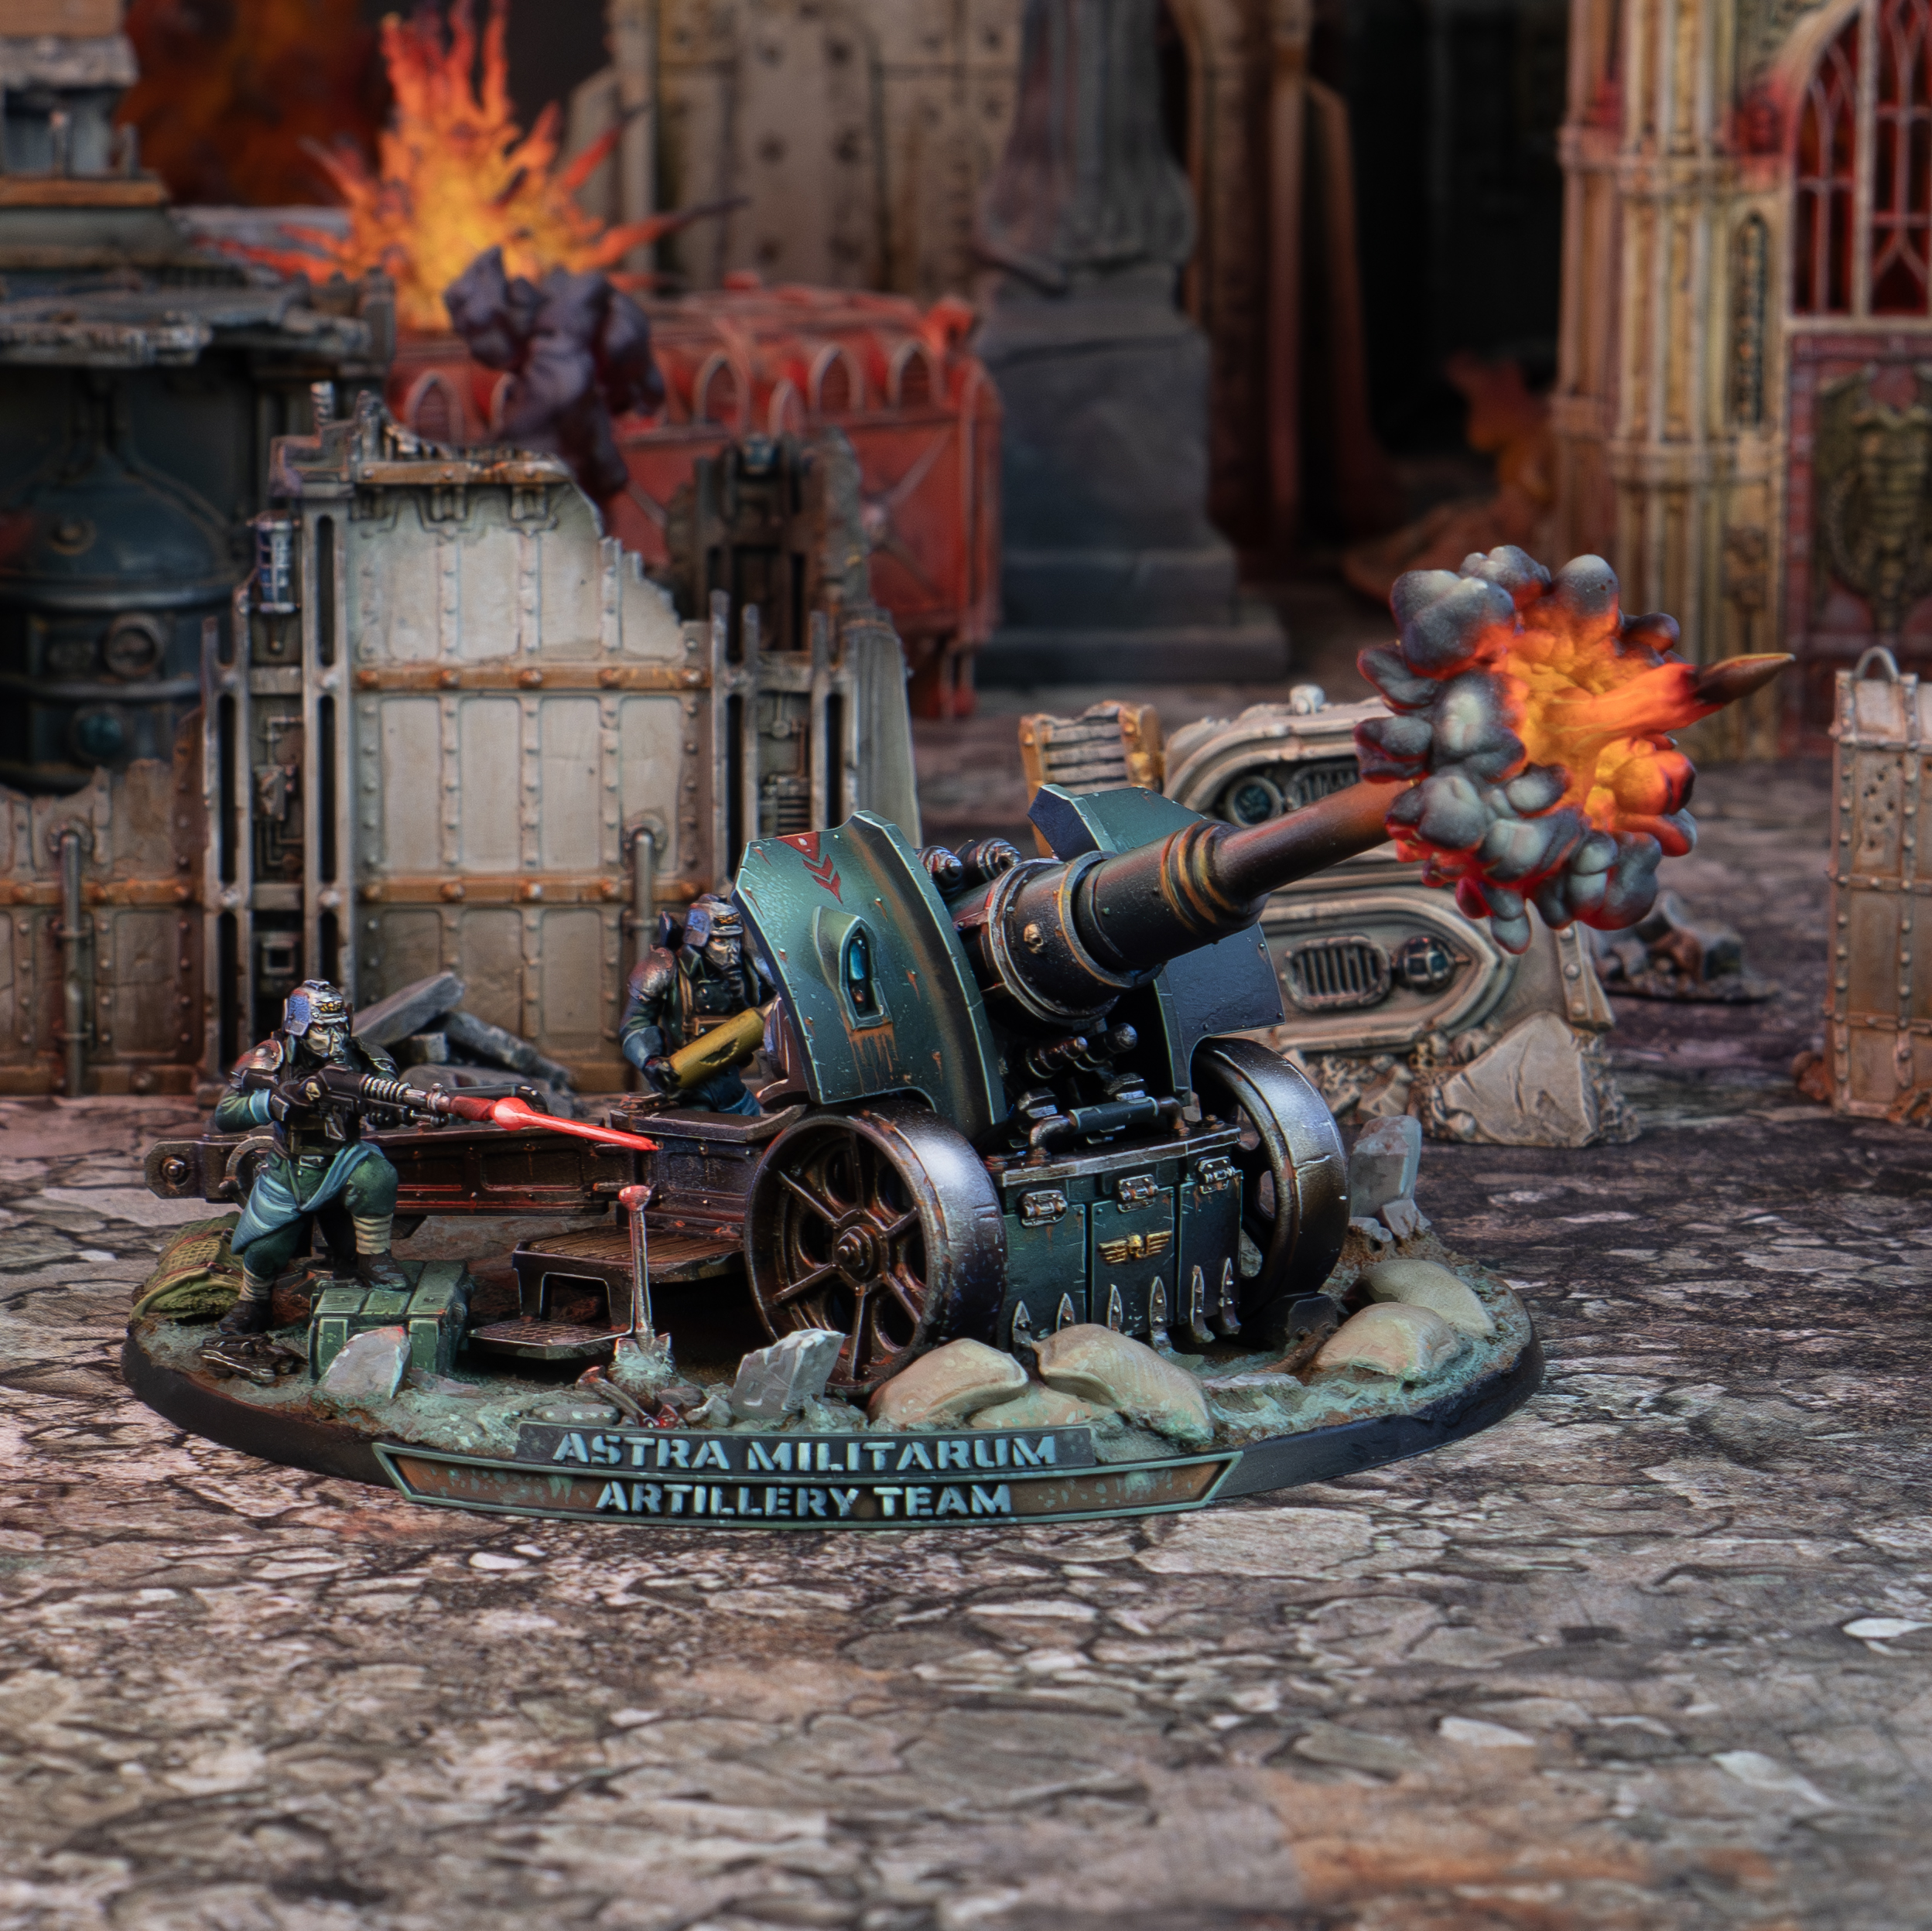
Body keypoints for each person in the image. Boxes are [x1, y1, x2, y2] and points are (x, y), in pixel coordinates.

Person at [211, 980, 408, 1335]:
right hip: (289, 1170)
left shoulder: (364, 1056)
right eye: (322, 1030)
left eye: (339, 1028)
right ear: (299, 1028)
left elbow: (387, 1093)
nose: (335, 1040)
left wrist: (387, 1111)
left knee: (376, 1175)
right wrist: (275, 1102)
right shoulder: (270, 1057)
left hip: (343, 1160)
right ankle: (252, 1303)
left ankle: (375, 1259)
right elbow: (225, 1114)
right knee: (266, 1251)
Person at [621, 895, 771, 1116]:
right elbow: (635, 1022)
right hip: (687, 1090)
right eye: (721, 941)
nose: (733, 949)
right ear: (700, 938)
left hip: (733, 1089)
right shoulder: (664, 967)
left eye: (736, 940)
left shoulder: (751, 967)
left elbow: (779, 1007)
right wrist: (650, 1061)